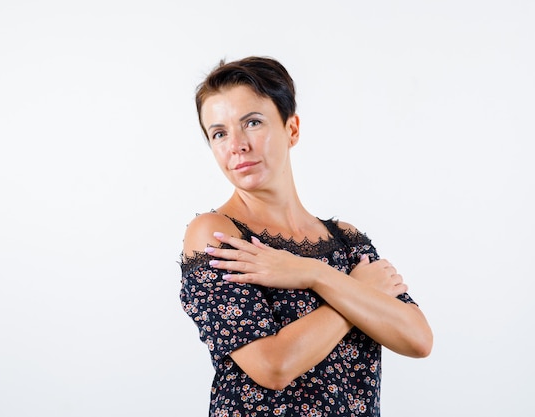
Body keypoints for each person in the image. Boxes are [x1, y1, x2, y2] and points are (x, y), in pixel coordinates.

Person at [179, 56, 433, 417]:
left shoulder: (347, 241)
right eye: (219, 133)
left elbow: (417, 338)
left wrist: (315, 274)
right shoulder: (217, 235)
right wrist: (352, 293)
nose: (236, 145)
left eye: (252, 123)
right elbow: (273, 366)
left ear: (292, 129)